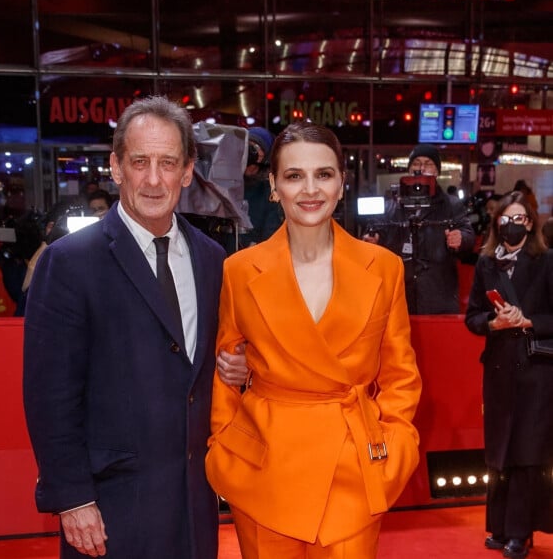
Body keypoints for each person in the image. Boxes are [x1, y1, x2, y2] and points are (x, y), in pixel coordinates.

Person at [23, 95, 246, 559]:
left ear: (187, 172)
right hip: (109, 510)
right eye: (139, 161)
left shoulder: (212, 260)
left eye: (167, 163)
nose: (152, 179)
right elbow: (49, 395)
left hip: (193, 506)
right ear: (116, 167)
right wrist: (73, 498)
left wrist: (238, 369)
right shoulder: (69, 263)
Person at [205, 122, 422, 559]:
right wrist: (224, 444)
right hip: (265, 469)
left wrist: (395, 448)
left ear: (342, 182)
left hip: (353, 469)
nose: (310, 189)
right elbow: (224, 368)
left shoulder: (383, 267)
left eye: (323, 174)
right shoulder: (240, 270)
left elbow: (401, 374)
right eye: (294, 175)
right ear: (273, 185)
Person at [465, 190, 553, 559]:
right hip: (499, 370)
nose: (511, 225)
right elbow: (471, 317)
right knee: (499, 451)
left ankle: (521, 531)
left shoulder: (547, 262)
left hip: (537, 372)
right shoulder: (486, 264)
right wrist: (494, 322)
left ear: (530, 223)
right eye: (505, 219)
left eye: (518, 219)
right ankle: (499, 528)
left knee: (526, 452)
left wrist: (529, 321)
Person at [363, 143, 475, 314]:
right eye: (416, 163)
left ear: (437, 171)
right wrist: (373, 240)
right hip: (399, 296)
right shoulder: (392, 205)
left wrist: (461, 238)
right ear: (409, 169)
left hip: (438, 295)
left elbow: (468, 236)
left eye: (428, 164)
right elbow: (377, 233)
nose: (421, 168)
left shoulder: (451, 204)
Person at [239, 126, 283, 248]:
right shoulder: (228, 184)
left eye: (256, 148)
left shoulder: (270, 190)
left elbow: (271, 233)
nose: (250, 153)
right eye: (248, 146)